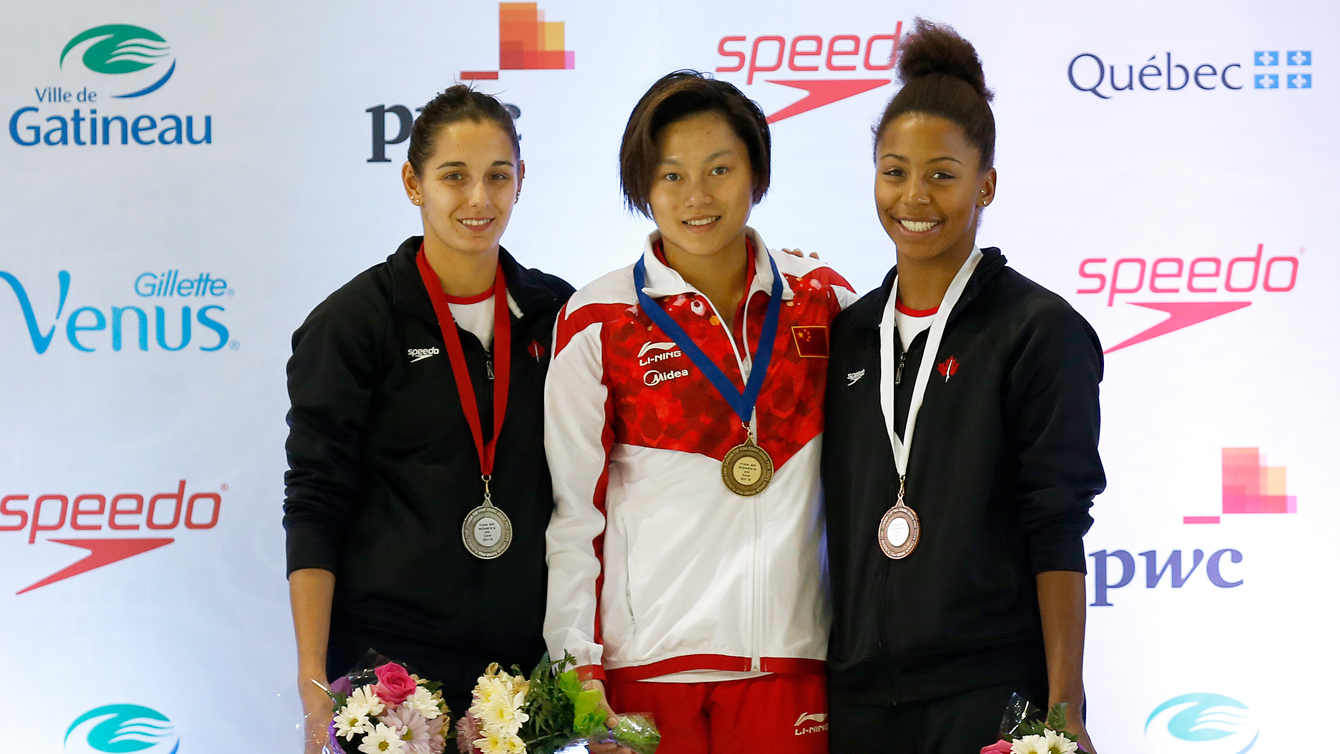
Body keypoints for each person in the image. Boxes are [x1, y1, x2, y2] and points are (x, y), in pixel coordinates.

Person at [541, 71, 857, 754]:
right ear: (642, 187)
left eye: (720, 168)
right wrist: (577, 671)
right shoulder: (597, 320)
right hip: (644, 672)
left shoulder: (823, 300)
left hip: (789, 662)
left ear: (756, 175)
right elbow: (574, 516)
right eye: (672, 175)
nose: (698, 196)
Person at [821, 19, 1104, 754]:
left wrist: (1064, 704)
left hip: (987, 698)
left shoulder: (1038, 330)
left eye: (942, 174)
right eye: (894, 170)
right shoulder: (846, 335)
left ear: (987, 184)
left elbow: (1057, 525)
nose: (915, 195)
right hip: (857, 700)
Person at [282, 85, 573, 752]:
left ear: (521, 181)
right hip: (388, 678)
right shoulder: (352, 325)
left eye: (498, 176)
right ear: (413, 183)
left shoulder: (559, 314)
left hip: (518, 682)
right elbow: (316, 501)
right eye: (454, 177)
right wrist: (311, 678)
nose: (479, 199)